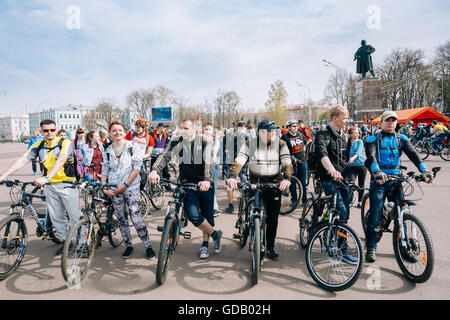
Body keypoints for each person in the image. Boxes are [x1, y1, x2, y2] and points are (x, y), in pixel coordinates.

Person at [0, 119, 82, 255]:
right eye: (46, 130)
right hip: (49, 186)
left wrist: (46, 178)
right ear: (41, 131)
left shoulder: (65, 142)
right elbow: (22, 160)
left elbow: (62, 159)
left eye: (52, 130)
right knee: (56, 217)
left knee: (75, 216)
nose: (49, 132)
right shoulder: (38, 145)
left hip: (67, 184)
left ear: (56, 130)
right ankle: (66, 242)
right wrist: (4, 175)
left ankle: (83, 243)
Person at [149, 119, 223, 260]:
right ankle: (216, 234)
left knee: (207, 215)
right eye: (182, 128)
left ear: (194, 129)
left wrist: (206, 180)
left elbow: (208, 162)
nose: (183, 131)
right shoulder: (177, 140)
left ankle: (205, 245)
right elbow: (165, 155)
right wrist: (154, 170)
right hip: (187, 183)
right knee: (193, 215)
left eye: (186, 128)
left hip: (204, 182)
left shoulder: (205, 141)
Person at [364, 111, 433, 263]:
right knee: (375, 214)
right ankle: (371, 247)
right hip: (380, 178)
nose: (390, 123)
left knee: (401, 213)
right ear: (381, 122)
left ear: (396, 122)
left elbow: (414, 155)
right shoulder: (372, 138)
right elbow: (371, 156)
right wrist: (376, 171)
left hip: (396, 178)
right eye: (387, 120)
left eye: (393, 120)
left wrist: (424, 170)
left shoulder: (402, 138)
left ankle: (404, 248)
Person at [227, 120, 293, 260]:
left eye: (274, 129)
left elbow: (287, 161)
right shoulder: (250, 144)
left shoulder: (281, 144)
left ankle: (270, 247)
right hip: (255, 184)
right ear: (261, 132)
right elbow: (239, 160)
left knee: (273, 219)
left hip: (274, 185)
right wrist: (232, 176)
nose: (274, 132)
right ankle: (250, 230)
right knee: (257, 215)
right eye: (270, 130)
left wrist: (287, 178)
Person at [101, 121, 155, 260]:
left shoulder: (133, 146)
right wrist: (104, 187)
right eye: (114, 130)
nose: (117, 133)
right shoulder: (107, 150)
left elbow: (137, 168)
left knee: (136, 218)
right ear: (110, 133)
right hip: (113, 189)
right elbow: (105, 169)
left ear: (124, 132)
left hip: (131, 188)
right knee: (121, 219)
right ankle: (128, 246)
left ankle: (148, 246)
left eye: (120, 130)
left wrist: (125, 185)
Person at [315, 105, 357, 264]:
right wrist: (332, 171)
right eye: (344, 117)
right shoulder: (322, 135)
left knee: (344, 216)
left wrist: (350, 177)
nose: (347, 121)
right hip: (328, 179)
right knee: (342, 213)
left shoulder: (345, 136)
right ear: (335, 118)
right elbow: (323, 155)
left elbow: (345, 160)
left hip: (343, 180)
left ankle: (330, 230)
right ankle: (342, 250)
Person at [281, 120, 308, 205]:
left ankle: (304, 200)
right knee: (292, 182)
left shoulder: (300, 135)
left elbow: (306, 144)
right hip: (291, 163)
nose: (296, 127)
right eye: (293, 126)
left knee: (303, 182)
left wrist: (305, 154)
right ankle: (294, 200)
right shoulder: (285, 137)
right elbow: (281, 150)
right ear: (288, 127)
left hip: (302, 162)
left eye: (296, 126)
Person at [224, 121, 249, 213]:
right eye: (241, 127)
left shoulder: (233, 136)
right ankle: (246, 204)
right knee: (244, 184)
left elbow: (227, 150)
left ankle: (231, 206)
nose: (241, 129)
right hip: (243, 164)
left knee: (231, 184)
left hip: (235, 164)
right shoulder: (248, 136)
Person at [346, 126, 367, 208]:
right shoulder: (348, 142)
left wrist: (353, 158)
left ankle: (360, 201)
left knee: (361, 185)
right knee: (351, 183)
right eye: (355, 133)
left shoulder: (360, 141)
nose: (357, 134)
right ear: (350, 135)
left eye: (358, 132)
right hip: (351, 166)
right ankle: (350, 201)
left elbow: (358, 152)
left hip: (361, 165)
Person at [203, 123, 221, 217]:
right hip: (201, 166)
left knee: (212, 187)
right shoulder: (200, 140)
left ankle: (214, 208)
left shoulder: (215, 141)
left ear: (212, 132)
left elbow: (214, 152)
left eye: (209, 129)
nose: (207, 131)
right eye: (205, 129)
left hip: (213, 166)